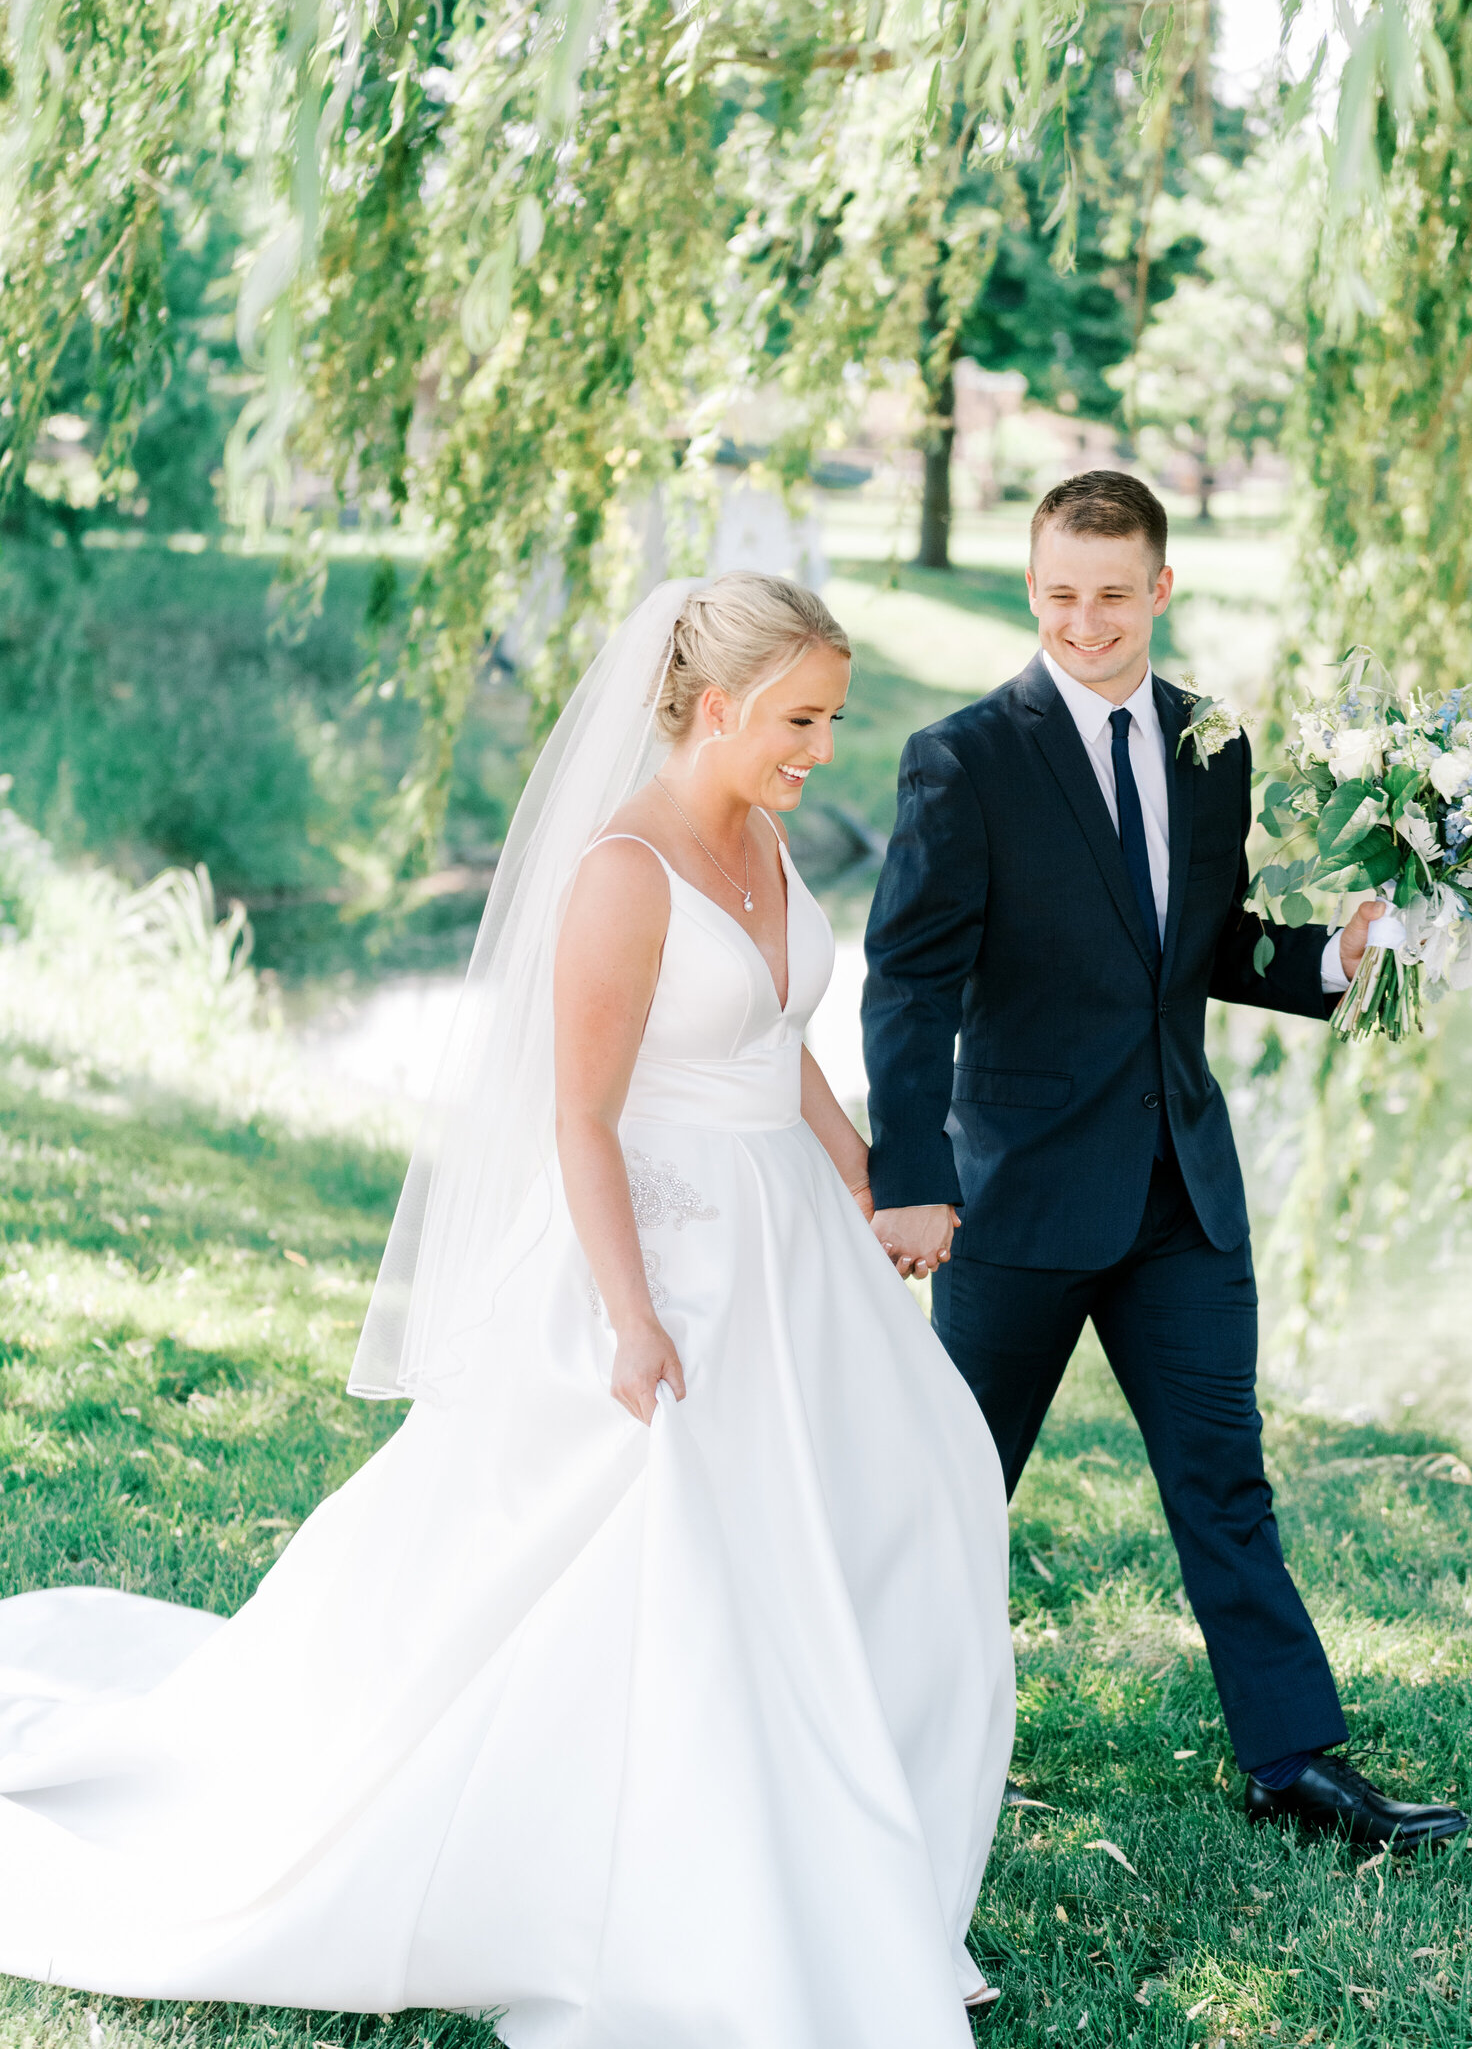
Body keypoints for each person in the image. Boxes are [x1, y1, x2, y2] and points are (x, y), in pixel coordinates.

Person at [0, 574, 1014, 2046]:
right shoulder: (623, 871)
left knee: (927, 1498)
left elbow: (782, 1045)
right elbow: (583, 1120)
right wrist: (632, 1316)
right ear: (717, 704)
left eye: (832, 718)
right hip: (670, 1258)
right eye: (801, 718)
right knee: (689, 1568)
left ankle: (865, 1848)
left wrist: (868, 1176)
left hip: (796, 1247)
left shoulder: (771, 840)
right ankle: (699, 1884)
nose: (821, 746)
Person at [863, 473, 1467, 1853]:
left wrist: (1332, 955)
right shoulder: (964, 757)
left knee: (1224, 1476)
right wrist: (911, 1171)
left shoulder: (1213, 740)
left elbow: (1192, 944)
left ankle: (1296, 1764)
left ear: (1161, 591)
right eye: (1060, 592)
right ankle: (857, 1731)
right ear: (1033, 587)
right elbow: (907, 982)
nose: (1085, 620)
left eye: (1113, 594)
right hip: (1013, 1195)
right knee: (953, 1480)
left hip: (1179, 1191)